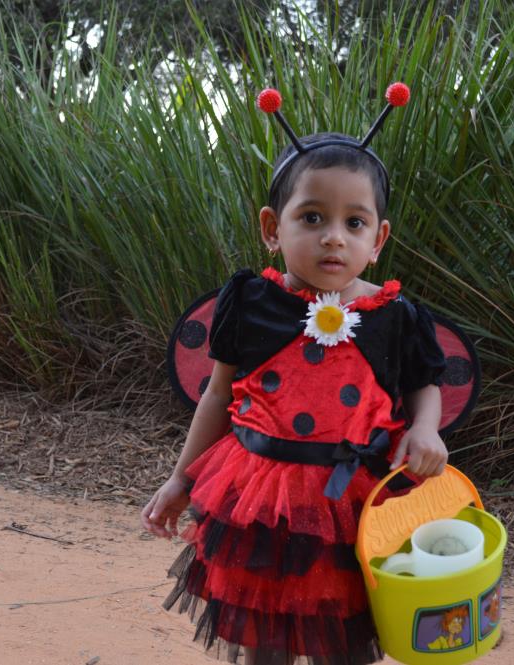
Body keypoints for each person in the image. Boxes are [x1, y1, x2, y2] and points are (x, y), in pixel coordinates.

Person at [141, 83, 448, 665]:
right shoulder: (252, 302)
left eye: (354, 223)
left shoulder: (394, 315)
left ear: (378, 239)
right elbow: (217, 393)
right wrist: (181, 480)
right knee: (265, 633)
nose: (334, 235)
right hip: (259, 496)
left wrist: (426, 429)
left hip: (356, 500)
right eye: (312, 216)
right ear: (271, 227)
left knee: (347, 635)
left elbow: (423, 384)